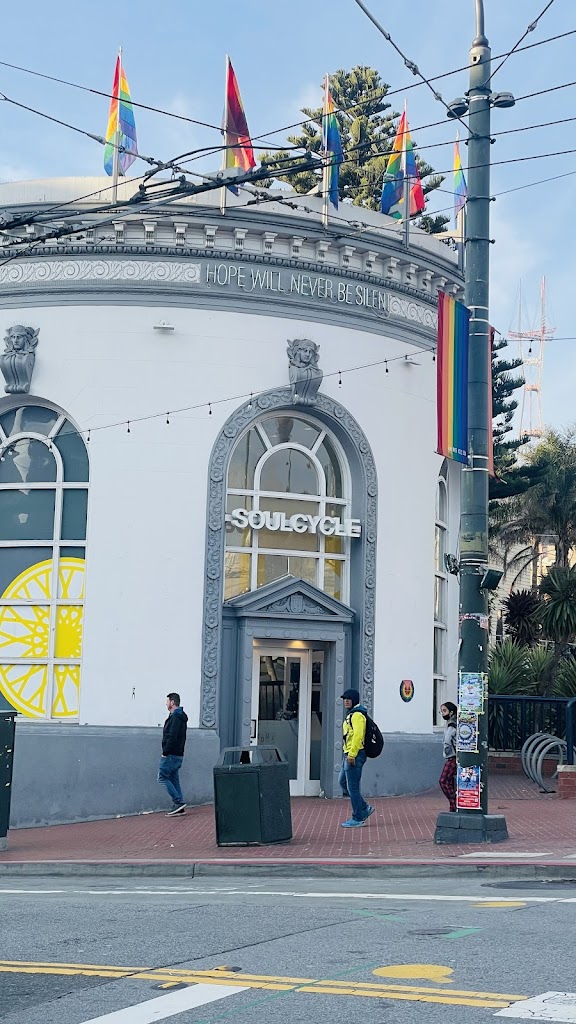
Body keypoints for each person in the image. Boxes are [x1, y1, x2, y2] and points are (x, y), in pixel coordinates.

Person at [339, 688, 374, 828]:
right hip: (348, 754)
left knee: (352, 787)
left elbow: (358, 736)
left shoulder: (357, 715)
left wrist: (352, 754)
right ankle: (364, 807)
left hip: (355, 755)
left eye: (349, 699)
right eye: (344, 699)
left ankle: (358, 817)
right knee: (342, 782)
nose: (346, 701)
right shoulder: (351, 714)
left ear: (354, 700)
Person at [158, 692, 188, 816]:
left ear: (172, 702)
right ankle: (179, 805)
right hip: (178, 753)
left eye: (167, 701)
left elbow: (172, 736)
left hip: (171, 754)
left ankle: (178, 802)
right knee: (174, 778)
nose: (166, 704)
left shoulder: (175, 717)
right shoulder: (180, 716)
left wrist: (165, 752)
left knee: (162, 777)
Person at [439, 701, 457, 812]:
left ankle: (454, 802)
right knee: (449, 781)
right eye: (441, 711)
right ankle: (453, 805)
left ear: (451, 712)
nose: (442, 713)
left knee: (444, 781)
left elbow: (447, 740)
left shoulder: (452, 725)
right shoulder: (453, 723)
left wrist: (447, 751)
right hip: (454, 756)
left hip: (453, 756)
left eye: (444, 711)